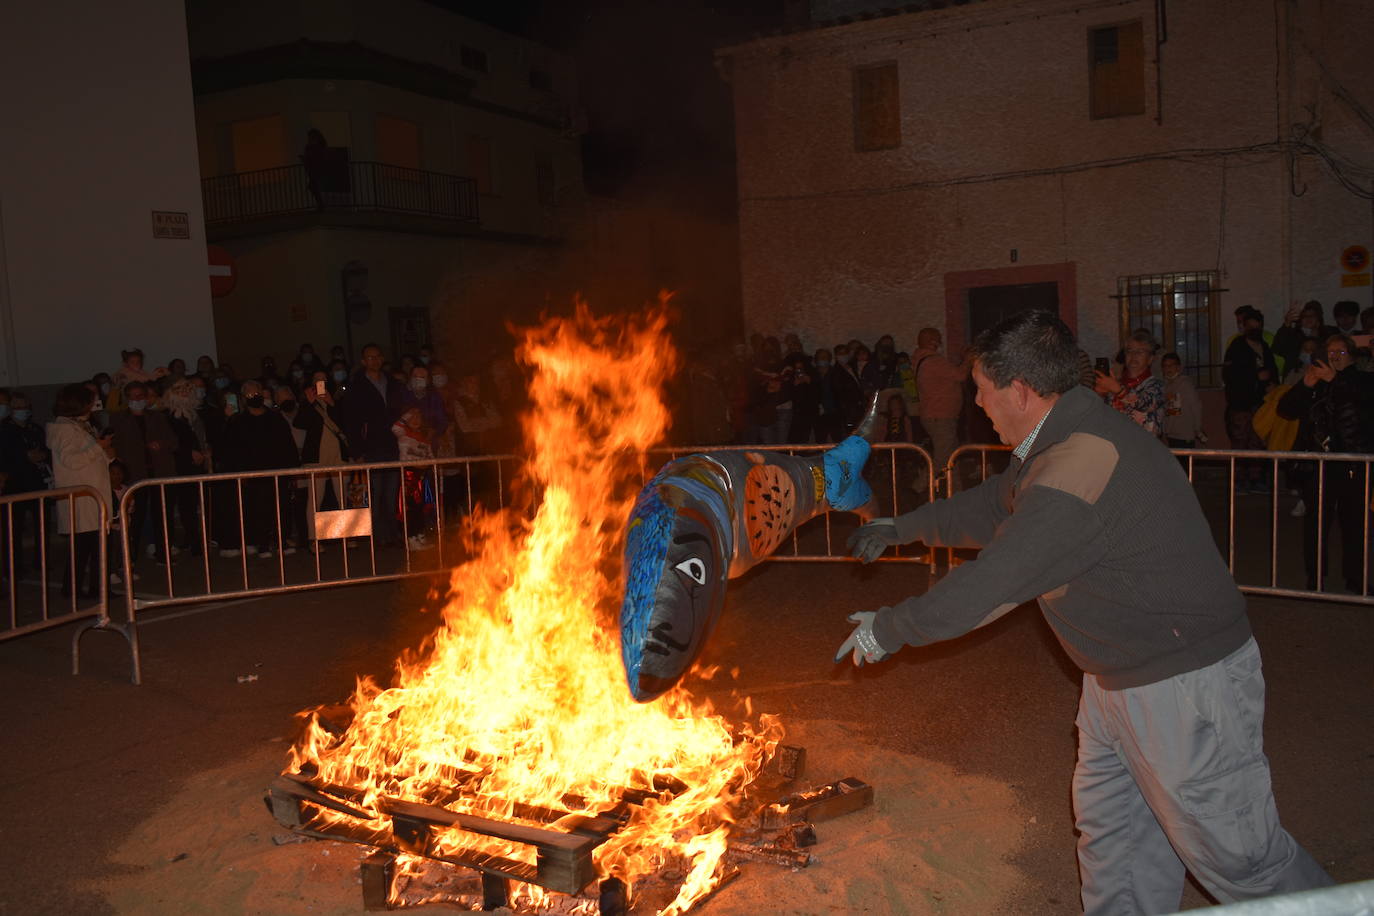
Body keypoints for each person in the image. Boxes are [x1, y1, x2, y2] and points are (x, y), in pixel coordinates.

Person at [840, 309, 1332, 914]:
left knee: (1242, 862)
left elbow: (999, 579)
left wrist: (889, 629)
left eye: (984, 390)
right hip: (1118, 678)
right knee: (1119, 849)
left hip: (1180, 682)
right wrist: (902, 526)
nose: (978, 403)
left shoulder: (1081, 460)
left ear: (1021, 389)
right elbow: (997, 505)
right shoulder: (1057, 440)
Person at [1277, 334, 1374, 592]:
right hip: (1319, 465)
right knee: (1316, 524)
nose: (1334, 357)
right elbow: (1285, 410)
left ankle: (1356, 579)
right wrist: (1304, 386)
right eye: (1330, 352)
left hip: (1354, 463)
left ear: (1351, 355)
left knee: (1355, 525)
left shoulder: (1363, 380)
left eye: (1340, 352)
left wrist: (1335, 380)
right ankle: (1315, 576)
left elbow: (1362, 404)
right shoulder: (1317, 382)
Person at [218, 380, 301, 558]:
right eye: (249, 394)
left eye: (257, 393)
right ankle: (262, 544)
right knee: (258, 509)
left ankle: (281, 541)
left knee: (282, 507)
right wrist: (240, 472)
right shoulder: (238, 421)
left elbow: (288, 444)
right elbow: (231, 449)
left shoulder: (275, 418)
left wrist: (292, 470)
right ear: (243, 398)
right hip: (254, 474)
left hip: (278, 471)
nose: (254, 396)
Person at [335, 343, 405, 547]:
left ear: (382, 358)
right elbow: (351, 421)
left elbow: (400, 411)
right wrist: (357, 451)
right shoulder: (356, 386)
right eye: (370, 357)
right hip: (371, 447)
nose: (374, 360)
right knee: (374, 493)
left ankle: (393, 533)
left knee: (391, 493)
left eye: (377, 356)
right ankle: (376, 536)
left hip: (392, 445)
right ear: (363, 361)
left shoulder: (392, 383)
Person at [47, 385, 113, 599]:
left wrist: (106, 452)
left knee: (97, 546)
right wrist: (98, 447)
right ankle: (72, 589)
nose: (93, 407)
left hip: (93, 493)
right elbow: (72, 460)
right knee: (83, 546)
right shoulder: (64, 429)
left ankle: (98, 588)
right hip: (82, 496)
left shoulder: (81, 426)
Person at [110, 381, 178, 563]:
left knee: (163, 515)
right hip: (134, 474)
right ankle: (129, 557)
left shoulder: (157, 417)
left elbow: (173, 441)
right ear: (127, 398)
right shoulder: (118, 419)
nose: (137, 399)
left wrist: (160, 444)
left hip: (159, 472)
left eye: (140, 396)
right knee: (135, 517)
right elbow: (116, 445)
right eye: (133, 396)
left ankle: (163, 553)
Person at [1222, 307, 1278, 494]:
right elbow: (1229, 375)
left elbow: (1272, 370)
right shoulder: (1236, 347)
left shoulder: (1264, 347)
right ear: (1245, 327)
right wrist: (1255, 377)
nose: (1254, 329)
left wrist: (1272, 384)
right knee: (1240, 441)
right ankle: (1238, 480)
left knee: (1258, 440)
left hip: (1260, 403)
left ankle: (1257, 479)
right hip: (1241, 404)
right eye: (1251, 326)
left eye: (1257, 326)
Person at [911, 327, 970, 488]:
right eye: (938, 339)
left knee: (952, 455)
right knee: (943, 457)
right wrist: (968, 359)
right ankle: (918, 487)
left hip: (936, 415)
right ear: (932, 342)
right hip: (941, 417)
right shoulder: (933, 361)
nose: (941, 343)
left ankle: (956, 489)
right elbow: (961, 375)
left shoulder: (923, 360)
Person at [0, 392, 50, 575]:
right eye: (17, 407)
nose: (21, 410)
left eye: (25, 407)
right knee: (13, 528)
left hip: (37, 483)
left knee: (42, 525)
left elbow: (47, 450)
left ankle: (41, 561)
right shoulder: (4, 430)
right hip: (14, 484)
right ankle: (13, 566)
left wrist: (42, 455)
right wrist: (24, 456)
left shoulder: (35, 429)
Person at [1095, 329, 1166, 438]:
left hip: (1144, 446)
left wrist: (1118, 391)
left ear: (1150, 359)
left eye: (1140, 352)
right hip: (1116, 443)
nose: (1133, 355)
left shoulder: (1157, 386)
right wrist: (1100, 395)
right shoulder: (1116, 383)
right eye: (1129, 351)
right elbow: (1101, 415)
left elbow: (1145, 404)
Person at [1160, 353, 1205, 449]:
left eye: (1171, 365)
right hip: (1171, 434)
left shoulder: (1185, 384)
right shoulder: (1166, 386)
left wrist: (1197, 428)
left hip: (1184, 435)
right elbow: (1169, 410)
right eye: (1165, 366)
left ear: (1178, 367)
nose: (1168, 368)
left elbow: (1196, 407)